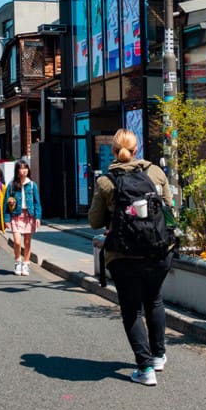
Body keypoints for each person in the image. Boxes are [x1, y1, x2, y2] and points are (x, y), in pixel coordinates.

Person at [88, 128, 172, 386]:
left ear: (113, 152)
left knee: (132, 310)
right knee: (154, 301)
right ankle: (158, 356)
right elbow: (169, 210)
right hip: (158, 251)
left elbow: (94, 221)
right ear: (137, 151)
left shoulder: (106, 181)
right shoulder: (155, 173)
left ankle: (145, 368)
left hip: (123, 255)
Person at [5, 158, 42, 276]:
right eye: (21, 168)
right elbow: (6, 203)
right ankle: (17, 261)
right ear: (17, 170)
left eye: (26, 168)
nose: (24, 170)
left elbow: (37, 202)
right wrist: (6, 219)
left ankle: (26, 263)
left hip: (28, 215)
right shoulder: (11, 185)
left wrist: (38, 217)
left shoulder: (32, 185)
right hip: (16, 215)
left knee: (27, 242)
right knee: (16, 241)